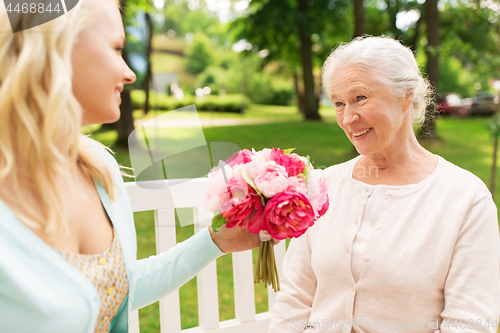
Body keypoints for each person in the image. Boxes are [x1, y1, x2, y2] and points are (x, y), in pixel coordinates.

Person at [0, 1, 269, 332]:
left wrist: (216, 241)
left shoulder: (99, 169)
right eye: (116, 48)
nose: (129, 72)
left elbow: (115, 288)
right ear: (57, 49)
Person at [268, 36, 500, 333]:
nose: (348, 118)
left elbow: (470, 323)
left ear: (406, 95)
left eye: (360, 98)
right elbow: (295, 299)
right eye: (339, 103)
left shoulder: (465, 198)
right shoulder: (322, 186)